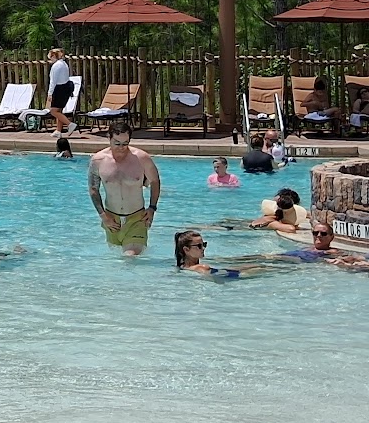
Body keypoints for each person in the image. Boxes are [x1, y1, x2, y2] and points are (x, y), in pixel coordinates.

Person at [89, 119, 161, 256]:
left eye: (125, 143)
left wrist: (152, 208)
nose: (121, 147)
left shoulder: (142, 158)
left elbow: (155, 181)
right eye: (117, 143)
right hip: (111, 219)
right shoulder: (98, 160)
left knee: (130, 258)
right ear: (109, 138)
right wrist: (103, 216)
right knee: (115, 261)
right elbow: (93, 189)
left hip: (137, 219)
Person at [174, 229, 241, 279]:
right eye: (199, 246)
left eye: (204, 244)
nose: (203, 248)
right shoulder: (202, 268)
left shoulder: (182, 267)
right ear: (186, 249)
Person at [278, 223, 344, 263]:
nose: (318, 235)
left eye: (323, 234)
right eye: (315, 233)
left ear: (331, 237)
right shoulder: (307, 248)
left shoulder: (332, 251)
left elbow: (343, 259)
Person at [46, 47, 75, 134]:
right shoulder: (63, 64)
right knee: (59, 110)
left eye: (50, 57)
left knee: (53, 111)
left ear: (53, 56)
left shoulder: (56, 66)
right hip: (66, 88)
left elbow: (53, 81)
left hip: (59, 89)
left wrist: (50, 93)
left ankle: (70, 124)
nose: (50, 60)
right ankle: (58, 130)